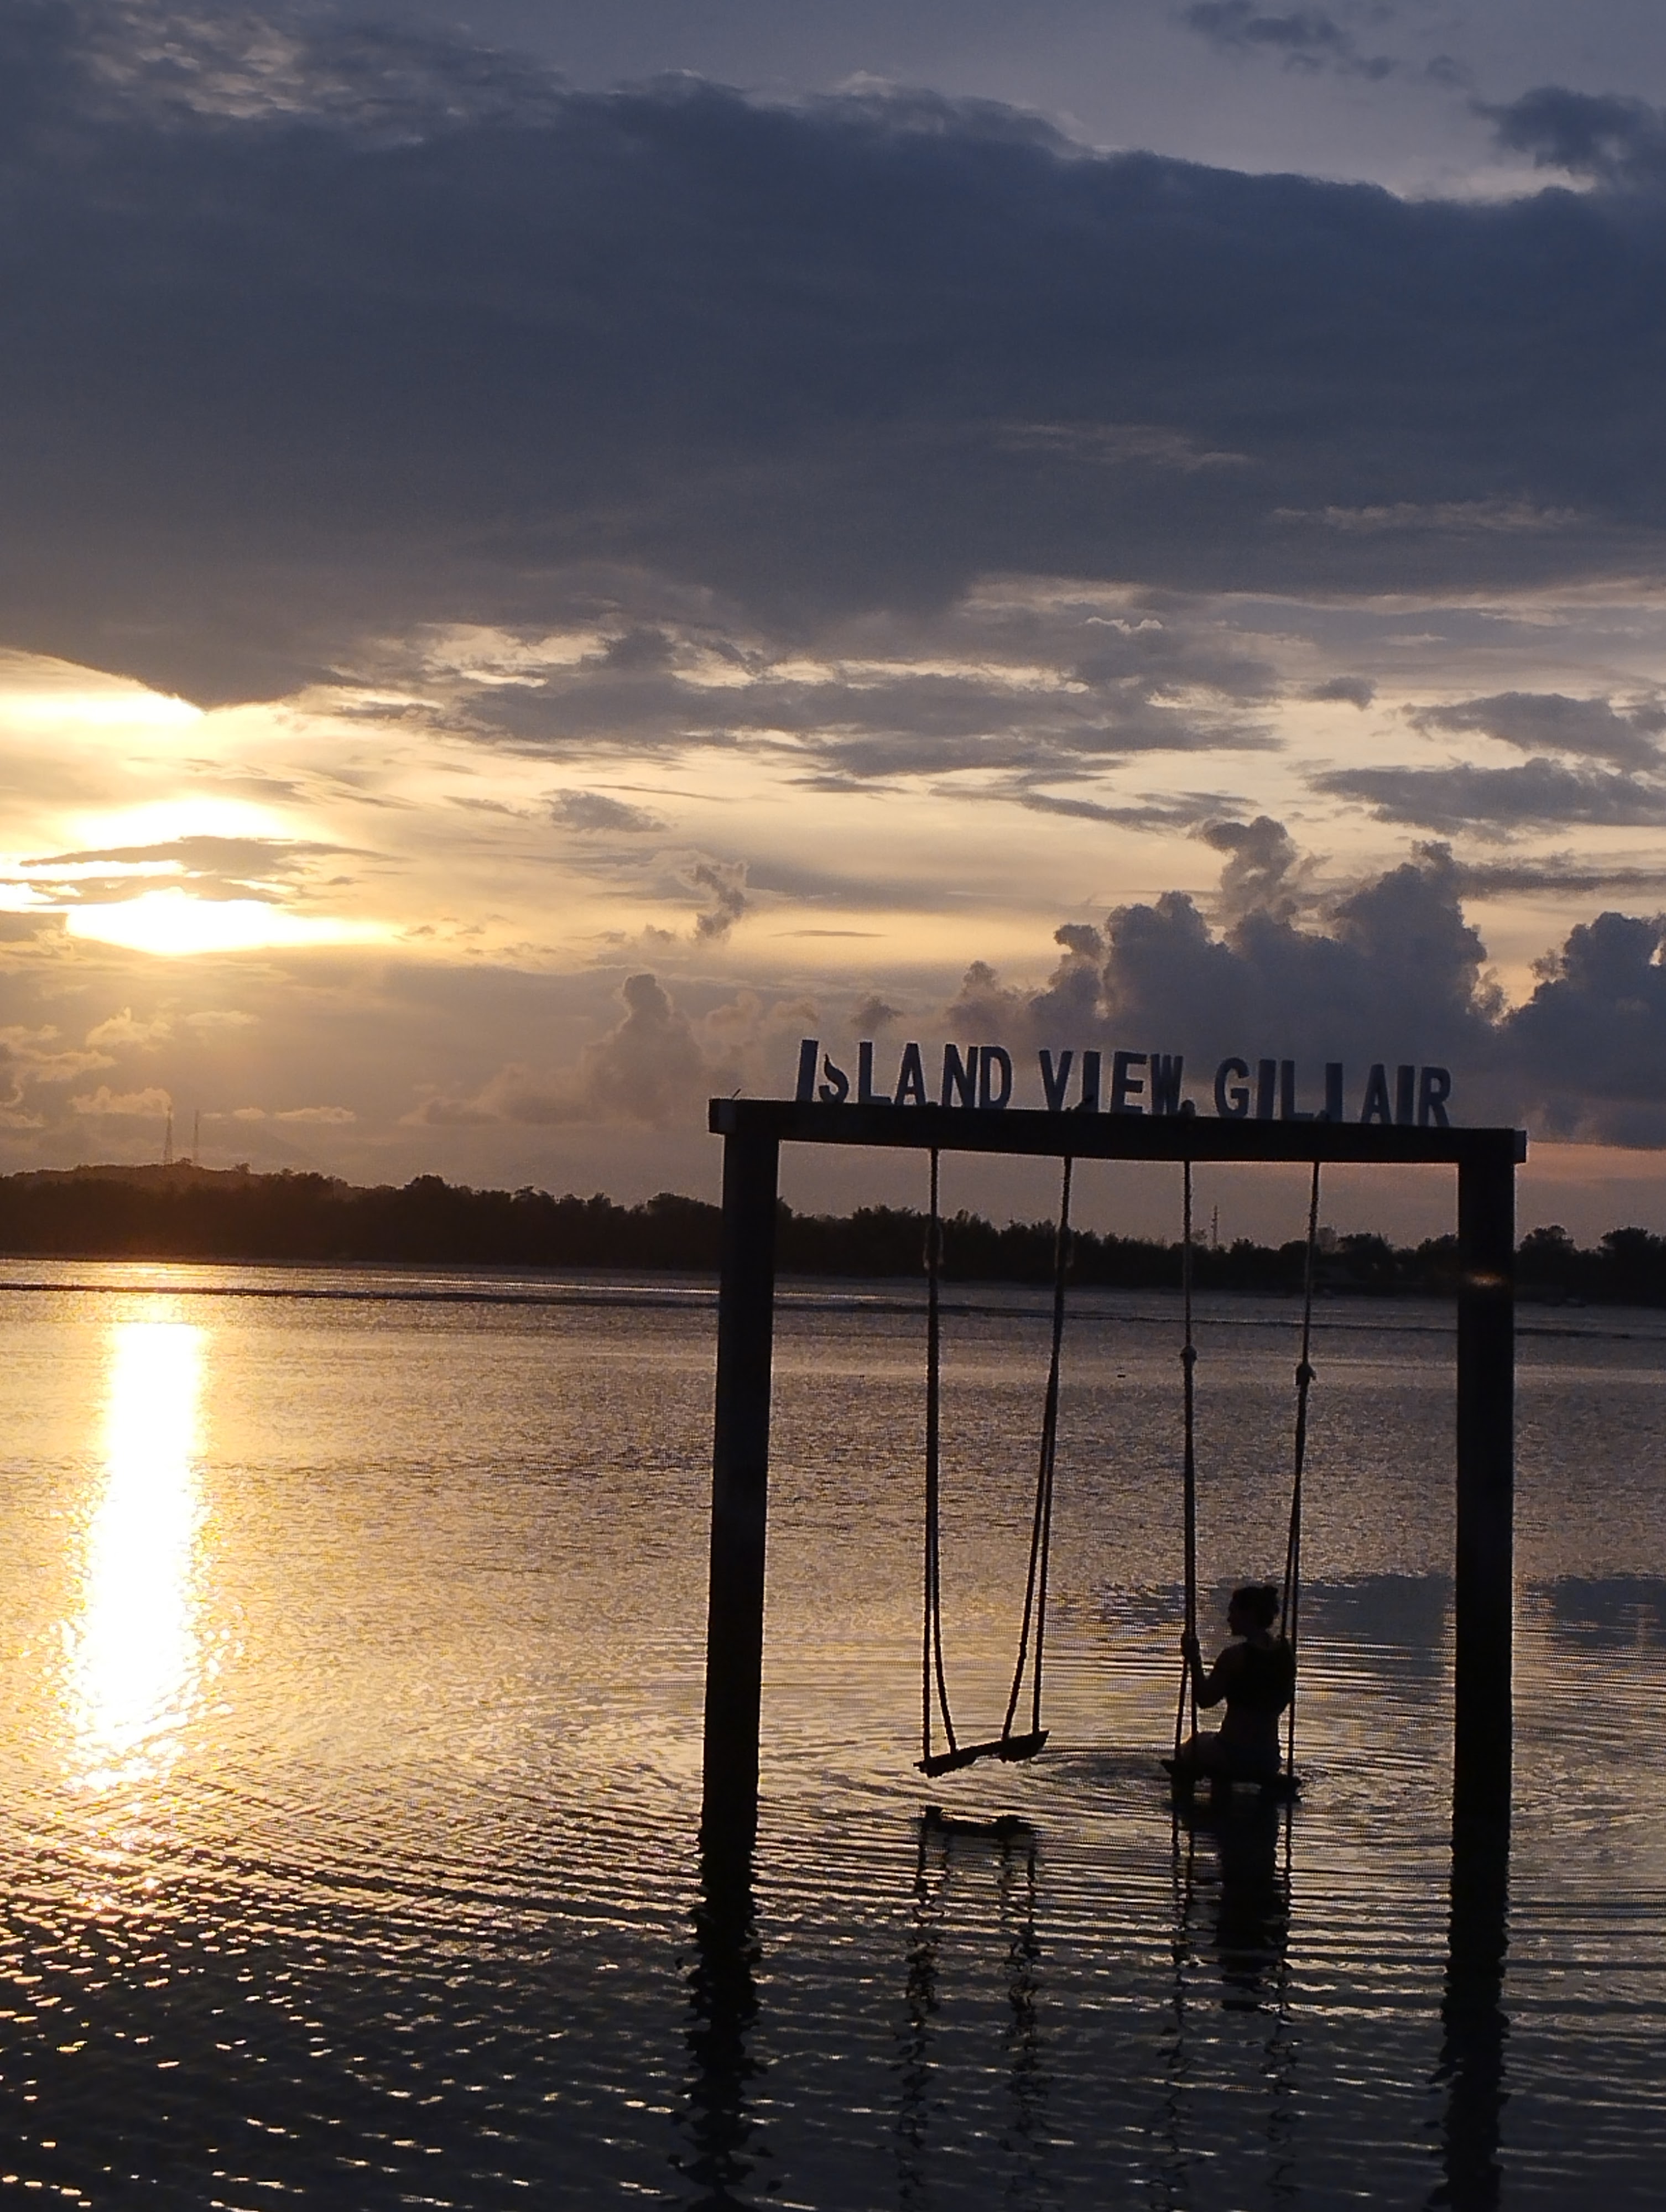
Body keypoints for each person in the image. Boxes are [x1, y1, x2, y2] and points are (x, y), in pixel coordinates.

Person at [1171, 1584, 1295, 1794]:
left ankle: (1190, 1811)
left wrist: (1195, 1660)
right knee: (1212, 1740)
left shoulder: (1234, 1656)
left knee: (1189, 1750)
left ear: (1249, 1614)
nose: (1229, 1619)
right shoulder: (1285, 1653)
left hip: (1233, 1754)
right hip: (1269, 1757)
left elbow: (1205, 1699)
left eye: (1233, 1611)